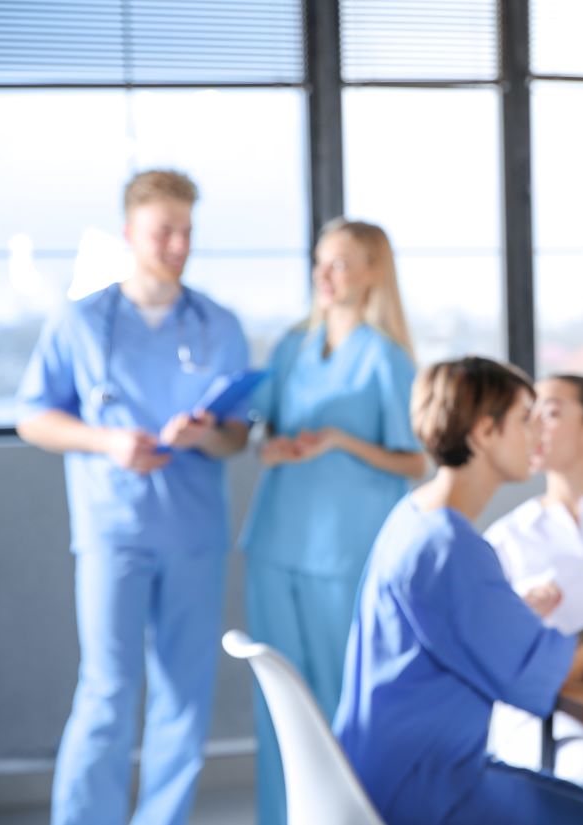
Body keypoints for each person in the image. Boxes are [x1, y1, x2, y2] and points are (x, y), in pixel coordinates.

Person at [16, 169, 251, 825]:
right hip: (113, 529)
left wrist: (207, 436)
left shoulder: (219, 323)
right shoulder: (82, 319)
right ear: (129, 232)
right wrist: (106, 442)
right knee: (107, 691)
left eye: (187, 231)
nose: (178, 244)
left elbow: (237, 436)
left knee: (185, 697)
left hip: (194, 532)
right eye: (163, 231)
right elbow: (34, 416)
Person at [333, 357, 583, 825]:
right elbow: (536, 677)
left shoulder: (416, 518)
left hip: (387, 768)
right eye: (525, 419)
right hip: (423, 786)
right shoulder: (450, 547)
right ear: (485, 432)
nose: (537, 434)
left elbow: (477, 631)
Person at [238, 219, 425, 825]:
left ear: (373, 271)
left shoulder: (384, 356)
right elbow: (257, 425)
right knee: (278, 706)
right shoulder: (292, 347)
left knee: (341, 708)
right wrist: (271, 446)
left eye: (341, 262)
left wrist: (341, 442)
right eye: (321, 261)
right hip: (274, 544)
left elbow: (414, 459)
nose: (325, 274)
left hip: (345, 553)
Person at [484, 374, 583, 821]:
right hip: (541, 716)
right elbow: (494, 651)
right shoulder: (508, 537)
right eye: (530, 414)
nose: (536, 424)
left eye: (551, 412)